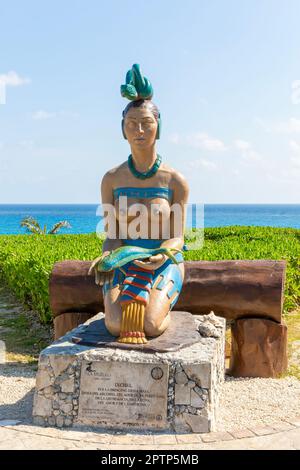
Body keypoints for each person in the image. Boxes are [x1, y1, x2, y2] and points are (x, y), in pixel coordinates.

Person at [97, 64, 189, 344]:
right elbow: (112, 235)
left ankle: (162, 306)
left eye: (146, 122)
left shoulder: (175, 181)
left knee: (149, 323)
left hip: (164, 261)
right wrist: (108, 258)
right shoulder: (112, 179)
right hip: (124, 261)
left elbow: (178, 237)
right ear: (122, 129)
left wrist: (163, 253)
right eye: (131, 123)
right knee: (115, 325)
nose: (139, 129)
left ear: (158, 126)